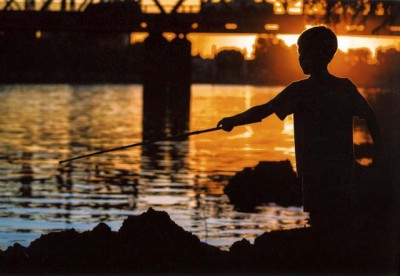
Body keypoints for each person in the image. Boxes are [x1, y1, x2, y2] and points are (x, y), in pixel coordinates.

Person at [217, 26, 382, 230]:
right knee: (340, 220)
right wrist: (380, 153)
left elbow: (264, 110)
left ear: (313, 54)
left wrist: (234, 120)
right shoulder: (345, 87)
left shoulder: (300, 91)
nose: (300, 58)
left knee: (318, 222)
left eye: (302, 52)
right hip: (342, 170)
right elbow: (371, 117)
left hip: (313, 171)